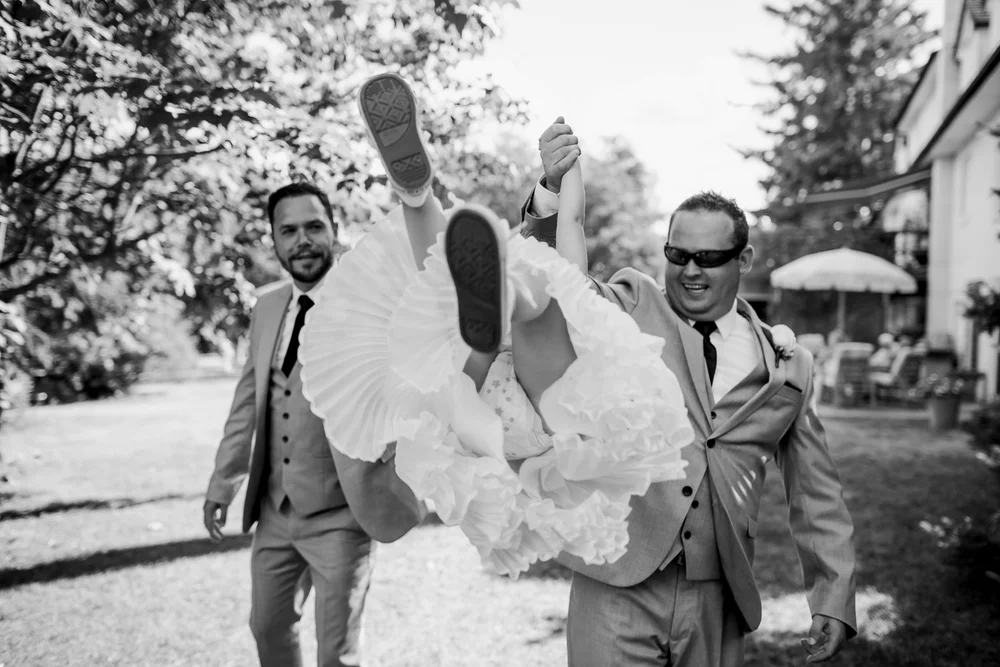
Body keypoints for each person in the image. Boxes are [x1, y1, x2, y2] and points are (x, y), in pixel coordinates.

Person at [298, 72, 694, 578]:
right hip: (529, 432)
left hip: (488, 406)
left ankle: (416, 198)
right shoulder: (578, 337)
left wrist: (568, 172)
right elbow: (571, 225)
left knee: (449, 300)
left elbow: (571, 222)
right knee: (525, 308)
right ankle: (495, 293)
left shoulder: (575, 310)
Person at [509, 121, 858, 666]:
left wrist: (833, 596)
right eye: (678, 255)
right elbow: (555, 288)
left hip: (718, 594)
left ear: (744, 260)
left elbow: (815, 494)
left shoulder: (789, 366)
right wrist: (551, 195)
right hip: (616, 582)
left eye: (709, 259)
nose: (690, 271)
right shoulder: (631, 304)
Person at [202, 180, 424, 667]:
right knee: (267, 627)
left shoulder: (370, 303)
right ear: (274, 240)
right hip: (275, 512)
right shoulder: (266, 306)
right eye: (289, 231)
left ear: (334, 230)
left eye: (314, 227)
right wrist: (223, 483)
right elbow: (246, 403)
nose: (302, 240)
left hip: (343, 513)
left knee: (336, 654)